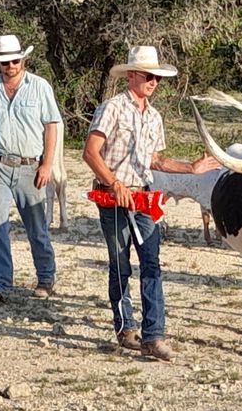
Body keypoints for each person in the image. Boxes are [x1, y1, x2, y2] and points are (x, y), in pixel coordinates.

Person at [83, 45, 220, 361]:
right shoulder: (112, 108)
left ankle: (154, 335)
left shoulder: (154, 116)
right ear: (132, 76)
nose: (153, 82)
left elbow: (154, 159)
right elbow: (91, 152)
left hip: (143, 196)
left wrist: (190, 167)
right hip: (113, 197)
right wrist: (113, 182)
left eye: (157, 77)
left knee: (151, 262)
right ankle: (126, 327)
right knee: (120, 265)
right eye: (148, 76)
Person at [0, 34, 63, 304]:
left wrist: (47, 164)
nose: (10, 65)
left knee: (37, 227)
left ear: (23, 59)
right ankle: (0, 283)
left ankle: (46, 277)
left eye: (14, 60)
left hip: (30, 166)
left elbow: (51, 125)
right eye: (4, 62)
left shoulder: (40, 86)